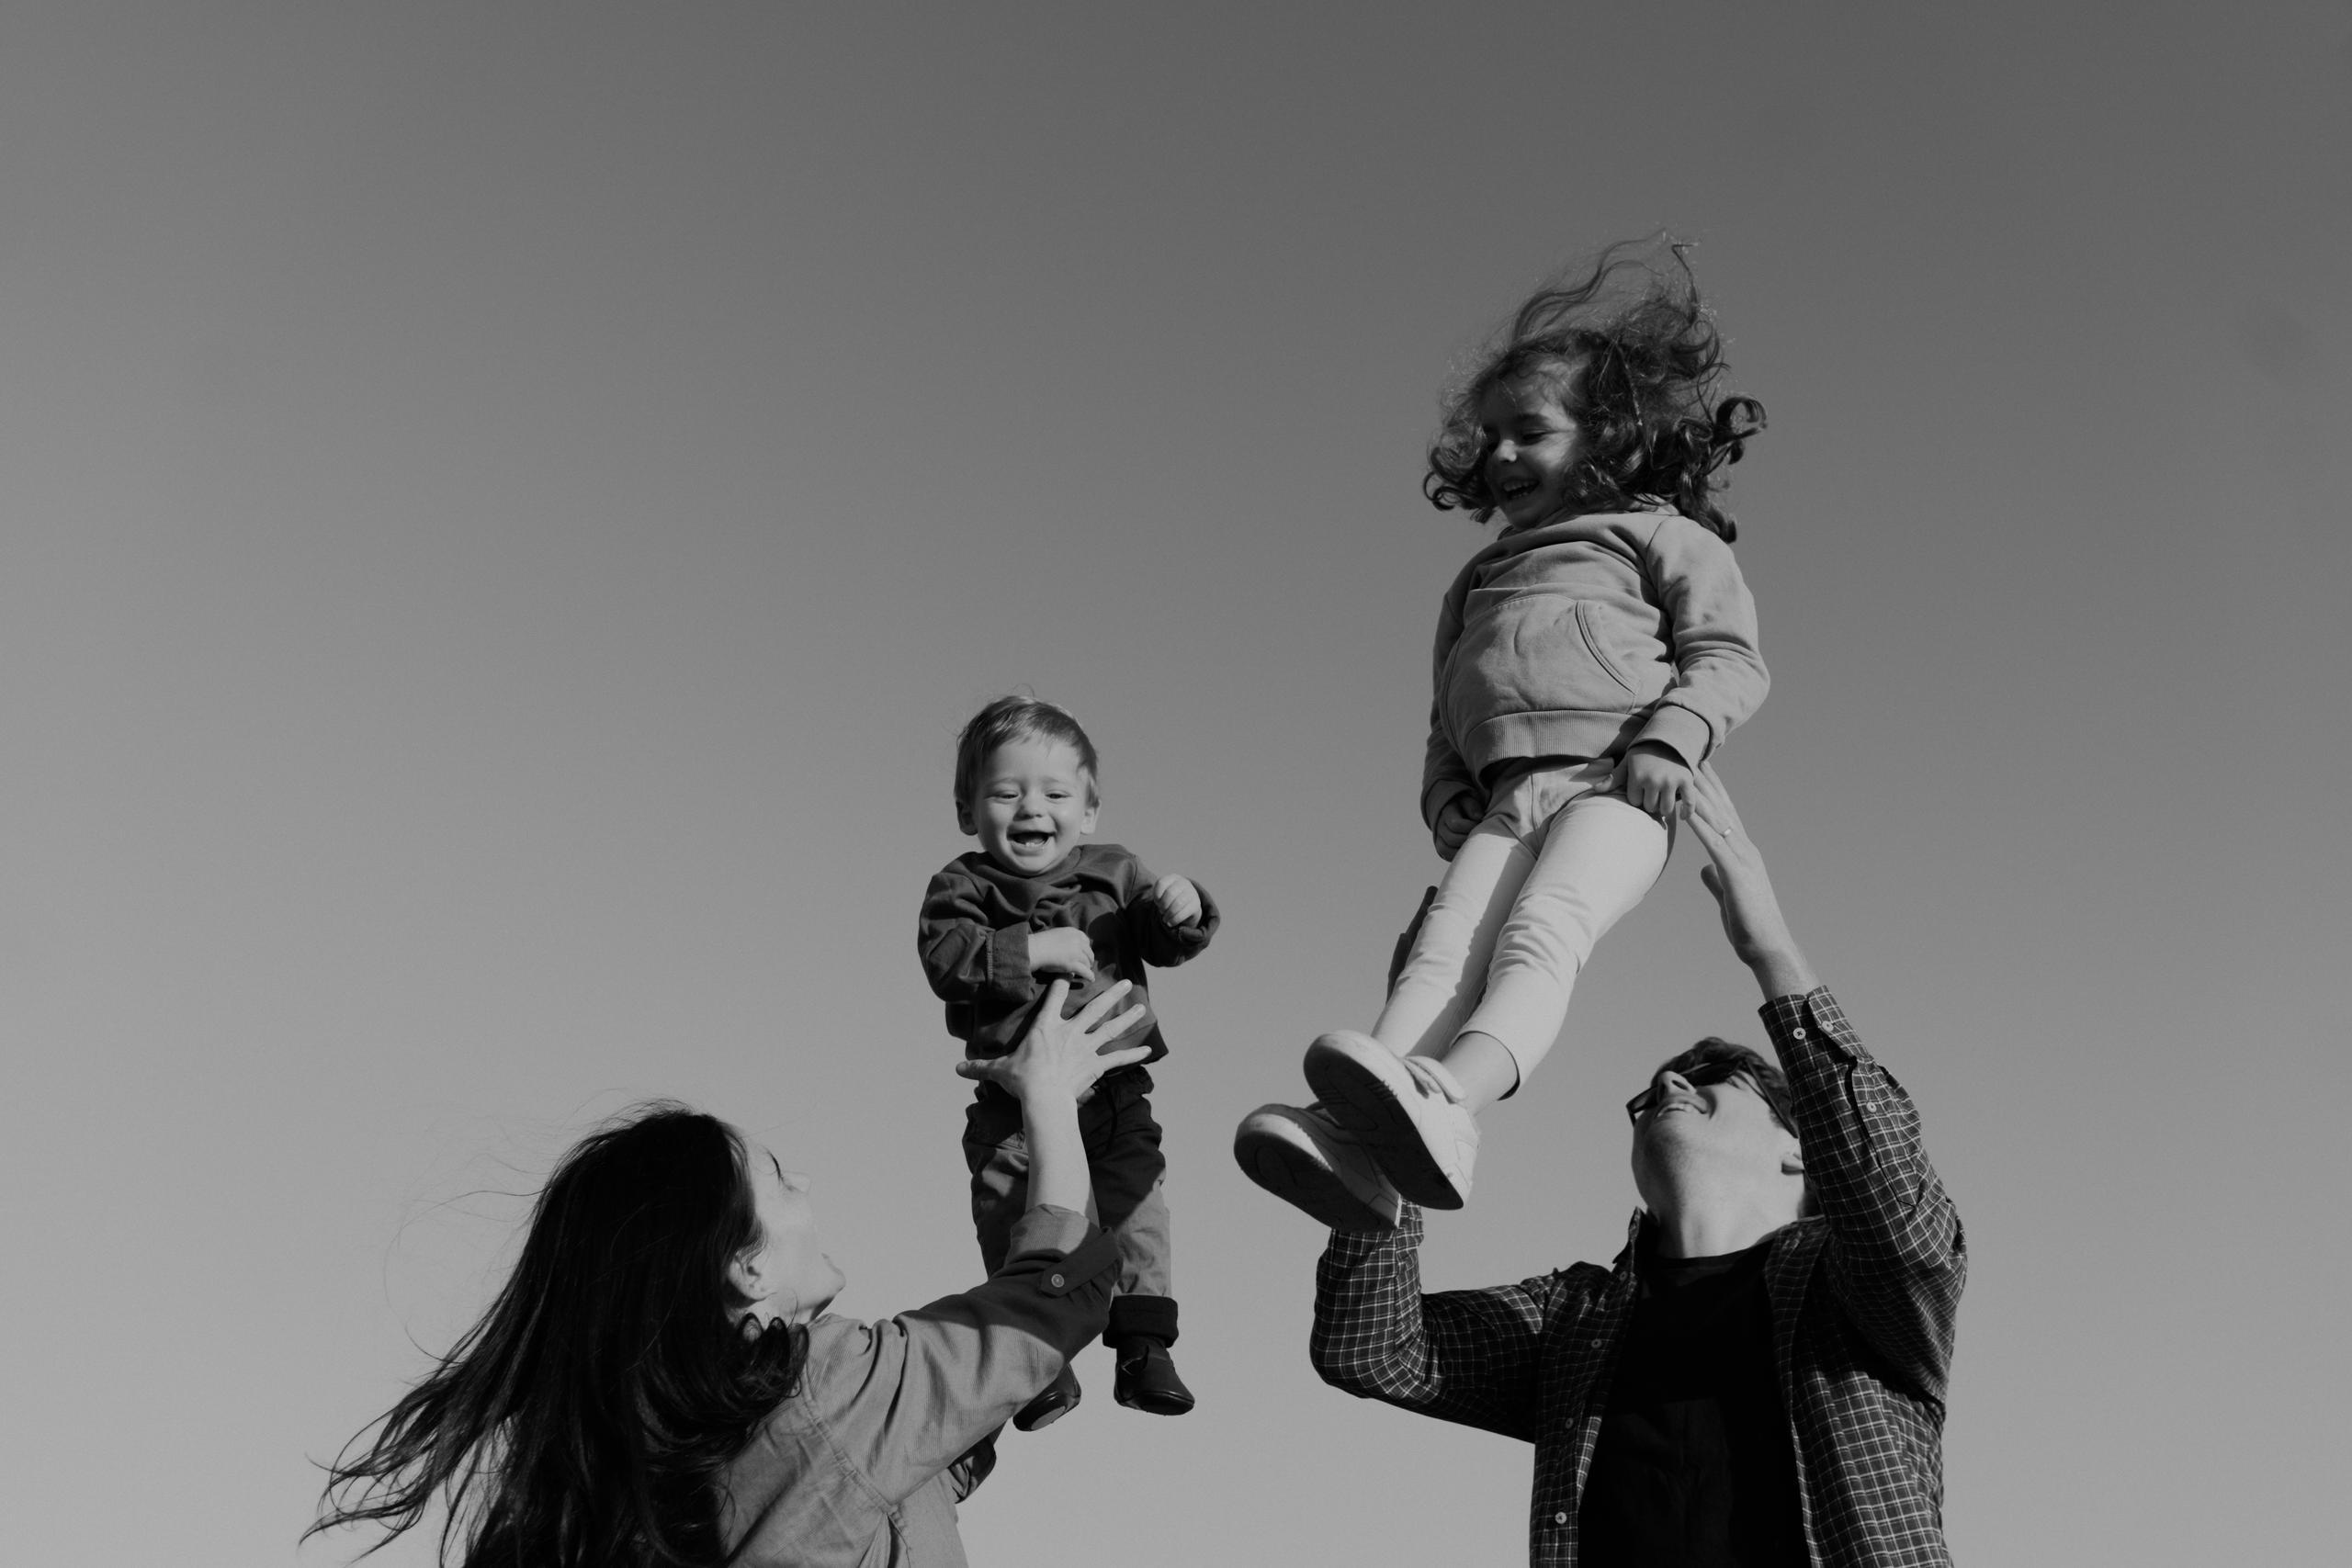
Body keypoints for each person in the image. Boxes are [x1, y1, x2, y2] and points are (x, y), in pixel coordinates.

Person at [1235, 241, 1772, 1230]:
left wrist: (1670, 738)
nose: (1502, 457)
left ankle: (1452, 1106)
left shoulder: (1660, 539)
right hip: (1504, 797)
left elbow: (1730, 659)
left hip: (1616, 787)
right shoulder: (1478, 578)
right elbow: (1447, 705)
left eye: (1529, 431)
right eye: (1489, 439)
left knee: (1540, 937)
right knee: (1441, 951)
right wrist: (1445, 792)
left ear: (1606, 439)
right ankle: (1355, 1133)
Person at [1303, 770, 1965, 1567]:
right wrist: (1405, 1090)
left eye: (1711, 1075)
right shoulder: (1576, 1321)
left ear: (1802, 1147)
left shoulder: (1856, 1296)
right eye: (1654, 1087)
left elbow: (1897, 1206)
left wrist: (1771, 951)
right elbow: (1373, 1348)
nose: (1667, 1083)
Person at [308, 981, 1150, 1568]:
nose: (806, 1184)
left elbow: (960, 1413)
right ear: (745, 1266)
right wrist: (1049, 1099)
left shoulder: (627, 1482)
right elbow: (1042, 1311)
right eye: (779, 1176)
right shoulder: (824, 1393)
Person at [918, 696, 1217, 1427]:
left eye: (1055, 793)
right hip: (1012, 1103)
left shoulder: (1115, 871)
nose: (1032, 807)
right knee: (1011, 1211)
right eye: (1006, 791)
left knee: (1136, 1205)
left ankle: (1144, 1342)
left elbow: (1163, 935)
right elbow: (947, 960)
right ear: (967, 810)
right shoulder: (962, 886)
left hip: (1114, 1086)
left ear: (1087, 810)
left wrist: (1184, 907)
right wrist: (1030, 949)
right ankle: (1034, 1352)